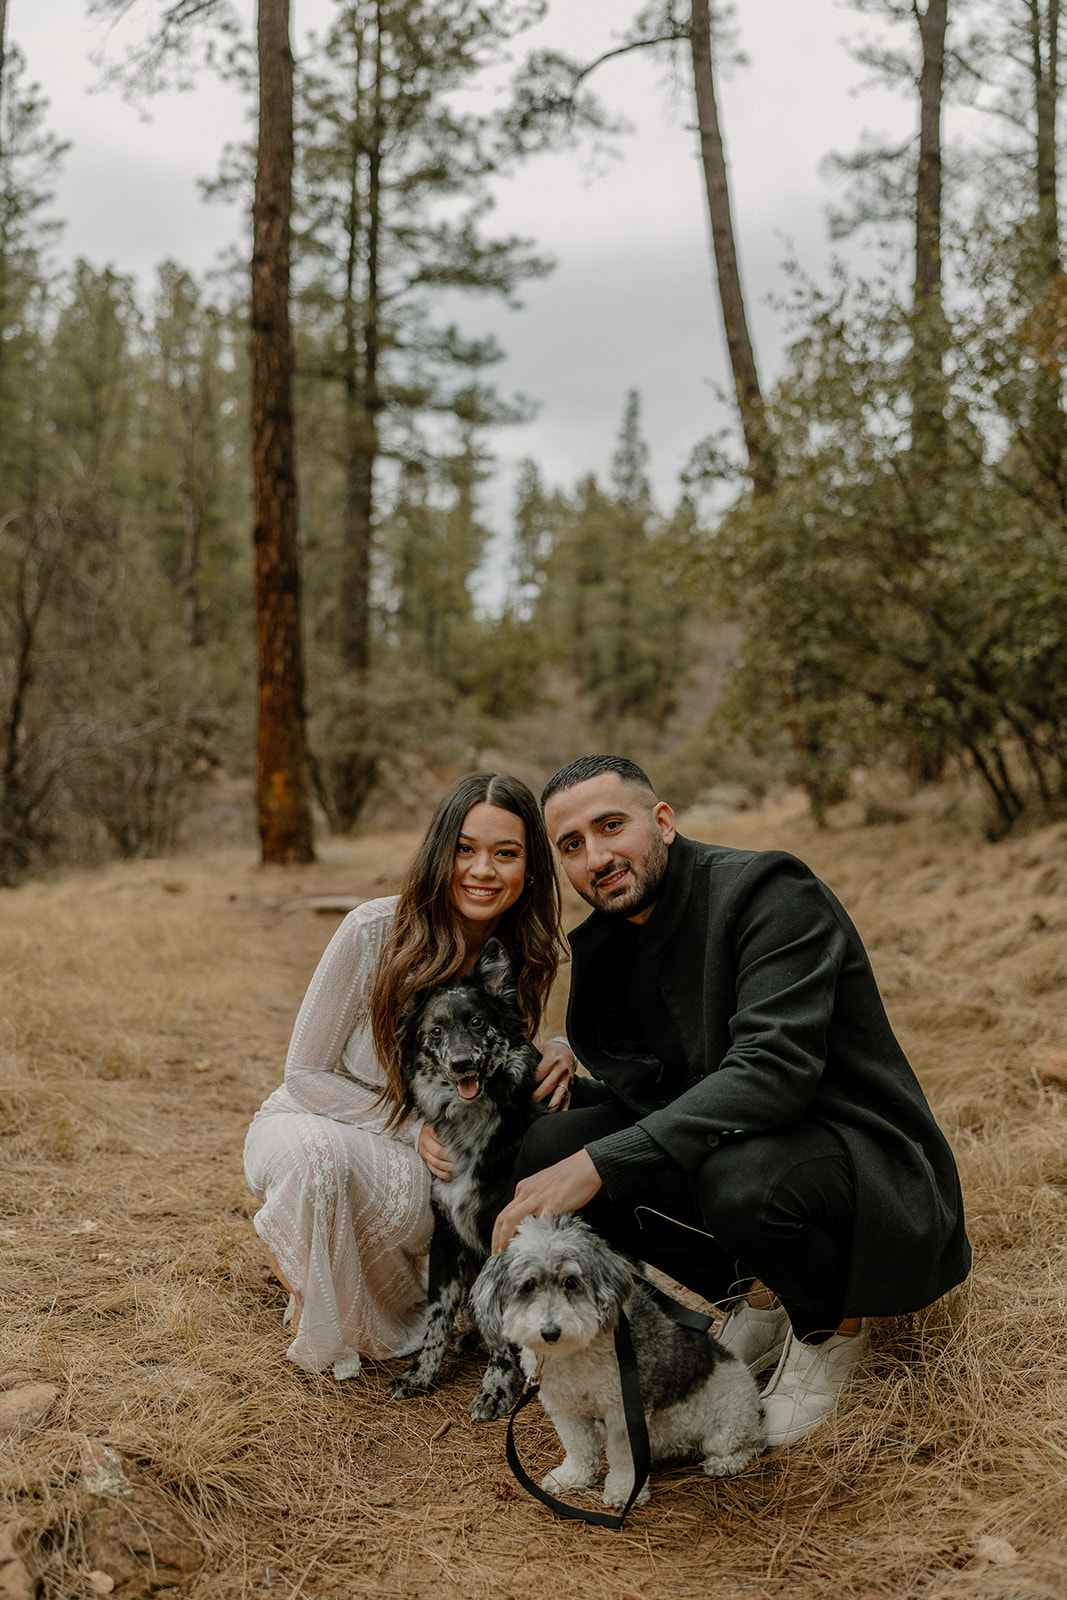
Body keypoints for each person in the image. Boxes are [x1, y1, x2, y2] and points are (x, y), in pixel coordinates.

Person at [492, 754, 971, 1446]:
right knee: (549, 1146)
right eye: (572, 845)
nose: (596, 857)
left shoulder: (767, 891)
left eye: (610, 826)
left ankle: (828, 1327)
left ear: (661, 822)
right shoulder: (611, 941)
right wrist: (563, 1089)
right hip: (746, 1146)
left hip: (857, 1159)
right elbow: (660, 1093)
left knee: (731, 1181)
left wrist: (599, 1162)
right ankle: (761, 1295)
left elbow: (771, 1071)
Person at [244, 772, 571, 1380]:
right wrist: (406, 1126)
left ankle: (414, 1305)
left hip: (431, 1149)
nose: (482, 870)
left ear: (530, 868)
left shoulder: (520, 950)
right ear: (438, 852)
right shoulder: (374, 930)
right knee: (316, 1157)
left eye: (506, 853)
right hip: (317, 1116)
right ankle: (324, 1322)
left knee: (437, 1202)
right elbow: (305, 1072)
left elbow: (500, 1064)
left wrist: (561, 1045)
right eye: (465, 849)